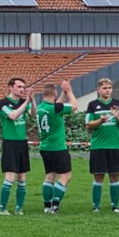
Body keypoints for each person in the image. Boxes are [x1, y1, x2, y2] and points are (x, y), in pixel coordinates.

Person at [85, 78, 119, 213]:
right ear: (98, 90)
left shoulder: (118, 104)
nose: (107, 90)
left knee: (114, 175)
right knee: (98, 176)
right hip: (98, 146)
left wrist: (116, 117)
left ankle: (115, 206)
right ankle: (96, 206)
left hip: (115, 146)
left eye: (109, 88)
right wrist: (100, 120)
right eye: (104, 88)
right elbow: (88, 124)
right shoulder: (92, 105)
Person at [35, 80, 76, 214]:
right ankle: (55, 205)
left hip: (45, 147)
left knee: (50, 175)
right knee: (65, 176)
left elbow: (57, 104)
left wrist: (62, 93)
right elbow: (74, 106)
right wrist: (69, 91)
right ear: (54, 93)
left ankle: (47, 206)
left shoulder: (41, 107)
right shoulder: (55, 109)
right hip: (57, 147)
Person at [0, 78, 36, 216]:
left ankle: (19, 209)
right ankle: (2, 209)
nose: (22, 89)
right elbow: (13, 116)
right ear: (10, 87)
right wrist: (26, 102)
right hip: (10, 143)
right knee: (10, 176)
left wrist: (32, 100)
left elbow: (33, 114)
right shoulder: (3, 103)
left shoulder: (23, 102)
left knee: (22, 177)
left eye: (23, 87)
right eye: (19, 87)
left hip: (22, 143)